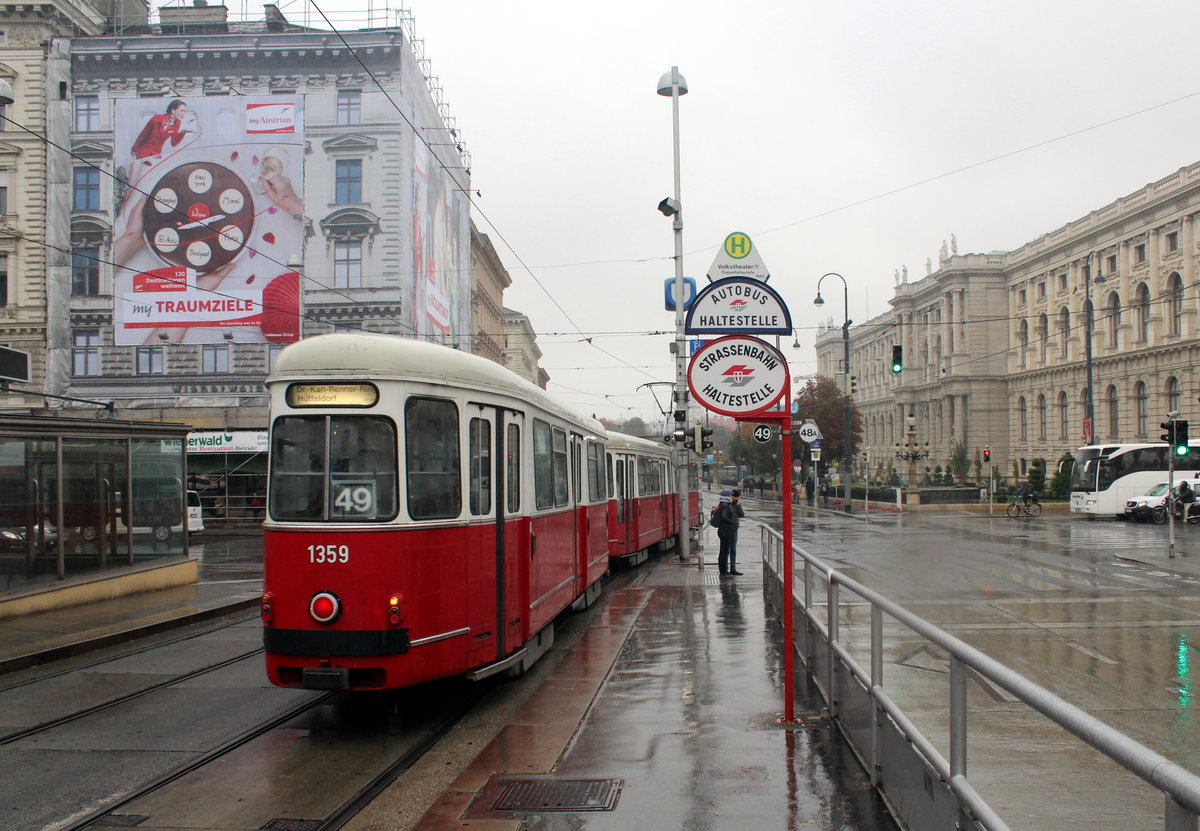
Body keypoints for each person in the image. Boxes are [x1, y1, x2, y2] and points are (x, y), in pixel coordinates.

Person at [716, 488, 745, 577]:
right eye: (732, 495)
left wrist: (738, 505)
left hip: (733, 530)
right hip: (728, 530)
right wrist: (732, 522)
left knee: (732, 550)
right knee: (725, 550)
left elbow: (741, 514)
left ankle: (732, 568)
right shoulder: (725, 505)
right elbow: (725, 517)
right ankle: (724, 570)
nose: (734, 497)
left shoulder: (734, 505)